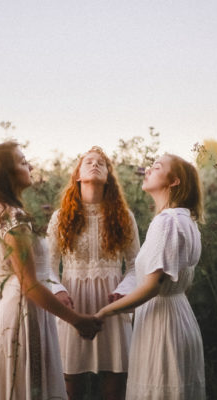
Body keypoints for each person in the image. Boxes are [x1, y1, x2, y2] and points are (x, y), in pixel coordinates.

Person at [0, 142, 102, 400]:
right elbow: (29, 284)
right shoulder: (14, 219)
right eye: (22, 162)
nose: (29, 165)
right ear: (5, 174)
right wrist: (77, 320)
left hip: (0, 313)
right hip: (22, 319)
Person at [96, 153, 206, 400]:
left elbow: (153, 286)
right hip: (179, 316)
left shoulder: (167, 222)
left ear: (174, 181)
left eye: (156, 167)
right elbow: (176, 282)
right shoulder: (187, 220)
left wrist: (106, 311)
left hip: (163, 324)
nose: (147, 170)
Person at [47, 146, 140, 400]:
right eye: (88, 161)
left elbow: (135, 266)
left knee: (115, 378)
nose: (95, 164)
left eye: (101, 163)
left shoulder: (124, 217)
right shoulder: (60, 217)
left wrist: (124, 291)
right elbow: (48, 267)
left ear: (109, 176)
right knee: (70, 379)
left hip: (112, 305)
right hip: (73, 305)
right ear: (77, 175)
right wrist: (58, 290)